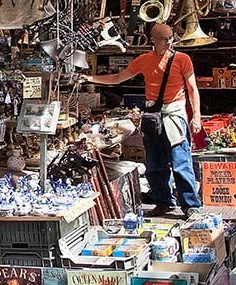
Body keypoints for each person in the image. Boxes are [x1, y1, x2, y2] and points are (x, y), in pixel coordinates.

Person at [85, 22, 202, 216]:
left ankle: (191, 206)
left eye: (171, 38)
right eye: (165, 38)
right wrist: (90, 78)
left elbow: (192, 89)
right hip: (153, 115)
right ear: (153, 40)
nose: (169, 41)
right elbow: (118, 78)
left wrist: (196, 115)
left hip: (174, 115)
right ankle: (164, 202)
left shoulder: (183, 59)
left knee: (181, 163)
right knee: (155, 164)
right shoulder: (143, 59)